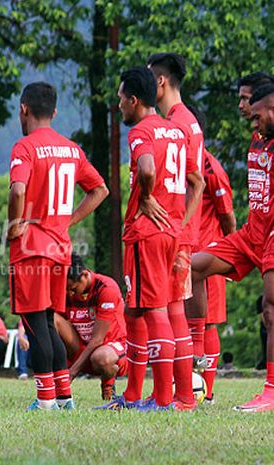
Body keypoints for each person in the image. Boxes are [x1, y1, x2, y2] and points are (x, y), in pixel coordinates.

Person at [98, 67, 195, 412]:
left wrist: (146, 197)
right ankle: (138, 395)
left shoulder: (140, 132)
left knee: (154, 313)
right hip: (171, 232)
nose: (119, 104)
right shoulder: (175, 131)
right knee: (138, 312)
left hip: (147, 233)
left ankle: (164, 400)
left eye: (121, 98)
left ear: (134, 100)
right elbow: (191, 179)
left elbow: (149, 169)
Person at [7, 81, 108, 411]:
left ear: (24, 110)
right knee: (49, 322)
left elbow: (18, 191)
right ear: (54, 111)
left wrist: (13, 226)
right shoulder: (71, 149)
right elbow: (100, 190)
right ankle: (64, 397)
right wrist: (68, 221)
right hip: (60, 249)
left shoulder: (25, 147)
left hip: (32, 249)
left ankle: (45, 399)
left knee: (35, 325)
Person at [190, 83, 274, 412]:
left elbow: (224, 208)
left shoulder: (210, 166)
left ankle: (270, 390)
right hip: (251, 233)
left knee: (270, 309)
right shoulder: (259, 140)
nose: (250, 120)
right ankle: (196, 357)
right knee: (191, 266)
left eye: (254, 113)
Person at [147, 53, 205, 409]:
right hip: (177, 232)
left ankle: (182, 396)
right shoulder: (186, 120)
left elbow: (195, 182)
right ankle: (166, 393)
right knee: (166, 310)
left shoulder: (178, 123)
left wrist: (181, 226)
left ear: (161, 82)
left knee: (170, 312)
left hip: (172, 233)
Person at [185, 105, 235, 403]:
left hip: (209, 256)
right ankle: (189, 385)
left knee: (209, 322)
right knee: (185, 322)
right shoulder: (180, 162)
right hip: (182, 255)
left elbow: (228, 216)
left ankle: (208, 391)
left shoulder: (211, 167)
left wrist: (231, 258)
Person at [55, 253, 127, 401]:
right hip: (80, 348)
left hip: (109, 346)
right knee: (52, 318)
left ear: (84, 275)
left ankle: (108, 386)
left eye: (73, 289)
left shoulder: (106, 287)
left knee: (102, 358)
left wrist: (72, 372)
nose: (70, 294)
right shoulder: (66, 291)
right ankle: (50, 382)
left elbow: (97, 339)